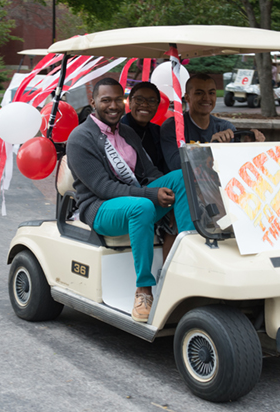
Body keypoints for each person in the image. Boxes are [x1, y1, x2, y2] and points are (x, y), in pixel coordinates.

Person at [66, 77, 195, 323]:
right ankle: (144, 290)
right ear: (93, 101)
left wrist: (165, 189)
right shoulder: (80, 138)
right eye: (106, 100)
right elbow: (104, 188)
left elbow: (150, 172)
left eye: (118, 99)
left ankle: (187, 266)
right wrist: (150, 194)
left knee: (179, 177)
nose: (113, 106)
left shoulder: (125, 132)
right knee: (143, 206)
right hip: (99, 207)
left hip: (133, 199)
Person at [160, 73, 266, 171]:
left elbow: (238, 166)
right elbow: (175, 165)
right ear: (187, 97)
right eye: (199, 93)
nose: (206, 98)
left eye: (211, 93)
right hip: (184, 186)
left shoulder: (225, 127)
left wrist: (251, 147)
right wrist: (211, 149)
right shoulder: (173, 127)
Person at [121, 81, 175, 260]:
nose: (145, 104)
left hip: (154, 188)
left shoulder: (156, 132)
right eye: (140, 99)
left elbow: (162, 167)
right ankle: (168, 270)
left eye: (151, 101)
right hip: (128, 192)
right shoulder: (118, 130)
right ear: (129, 100)